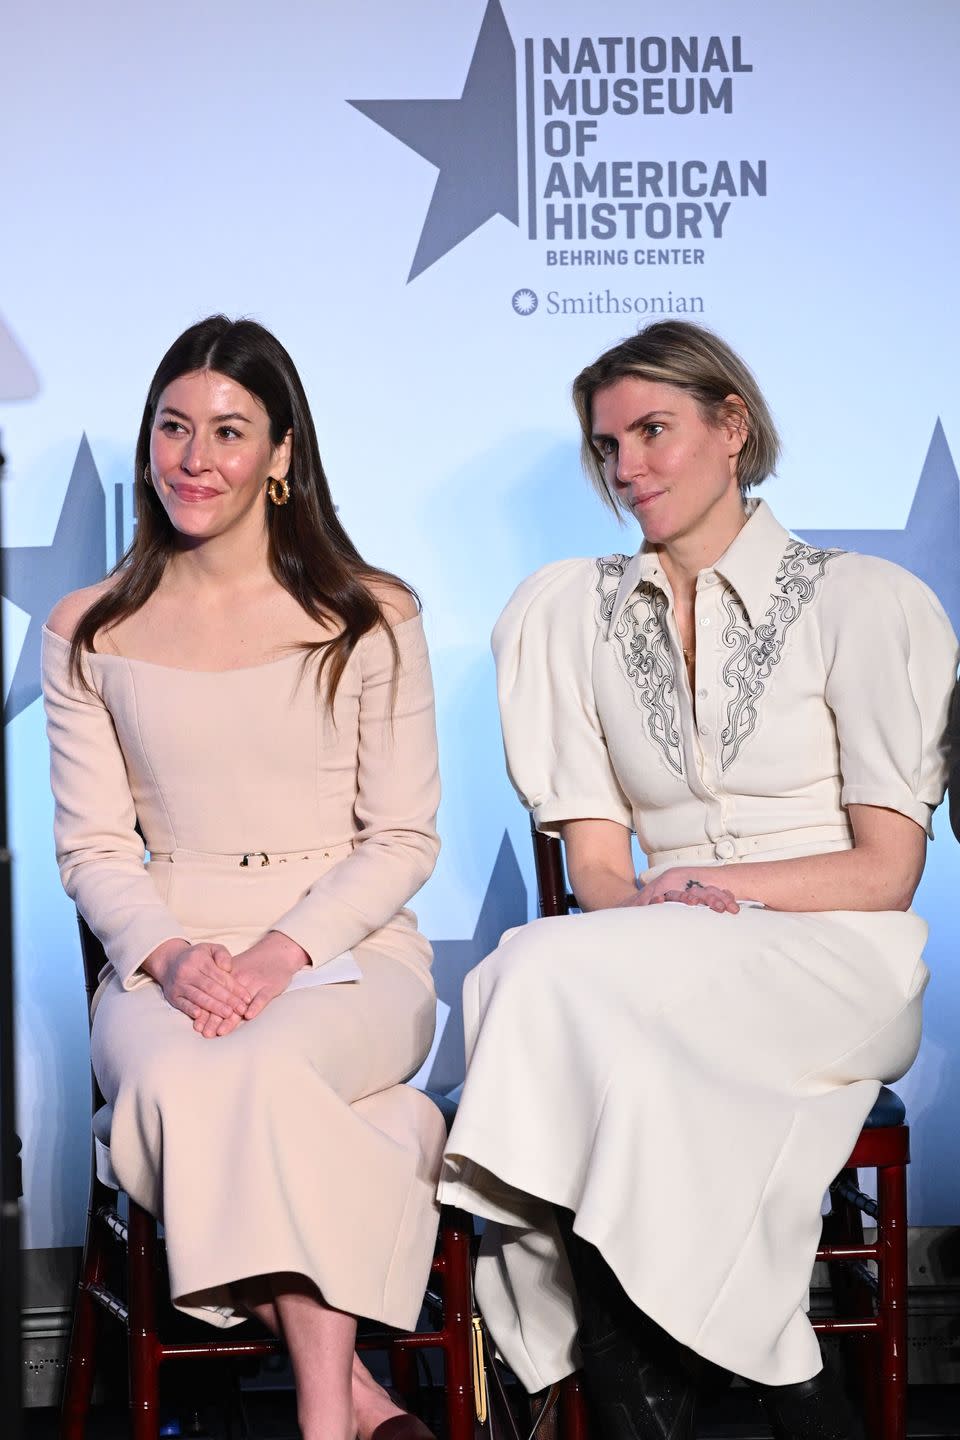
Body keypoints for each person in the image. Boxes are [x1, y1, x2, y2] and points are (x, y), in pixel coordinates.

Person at [438, 321, 959, 1440]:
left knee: (547, 987)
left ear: (733, 427)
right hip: (653, 954)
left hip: (834, 952)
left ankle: (640, 1384)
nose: (627, 468)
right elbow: (595, 874)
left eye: (653, 432)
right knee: (551, 982)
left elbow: (887, 871)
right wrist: (663, 908)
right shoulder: (568, 614)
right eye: (607, 445)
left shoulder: (860, 600)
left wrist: (723, 895)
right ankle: (776, 1389)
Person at [43, 316, 444, 1440]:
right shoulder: (87, 630)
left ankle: (325, 1406)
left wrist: (280, 955)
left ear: (281, 455)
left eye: (228, 431)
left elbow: (405, 838)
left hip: (349, 953)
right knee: (180, 1085)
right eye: (173, 427)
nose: (194, 456)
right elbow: (93, 852)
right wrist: (171, 959)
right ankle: (350, 1399)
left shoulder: (371, 613)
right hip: (163, 950)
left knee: (255, 1074)